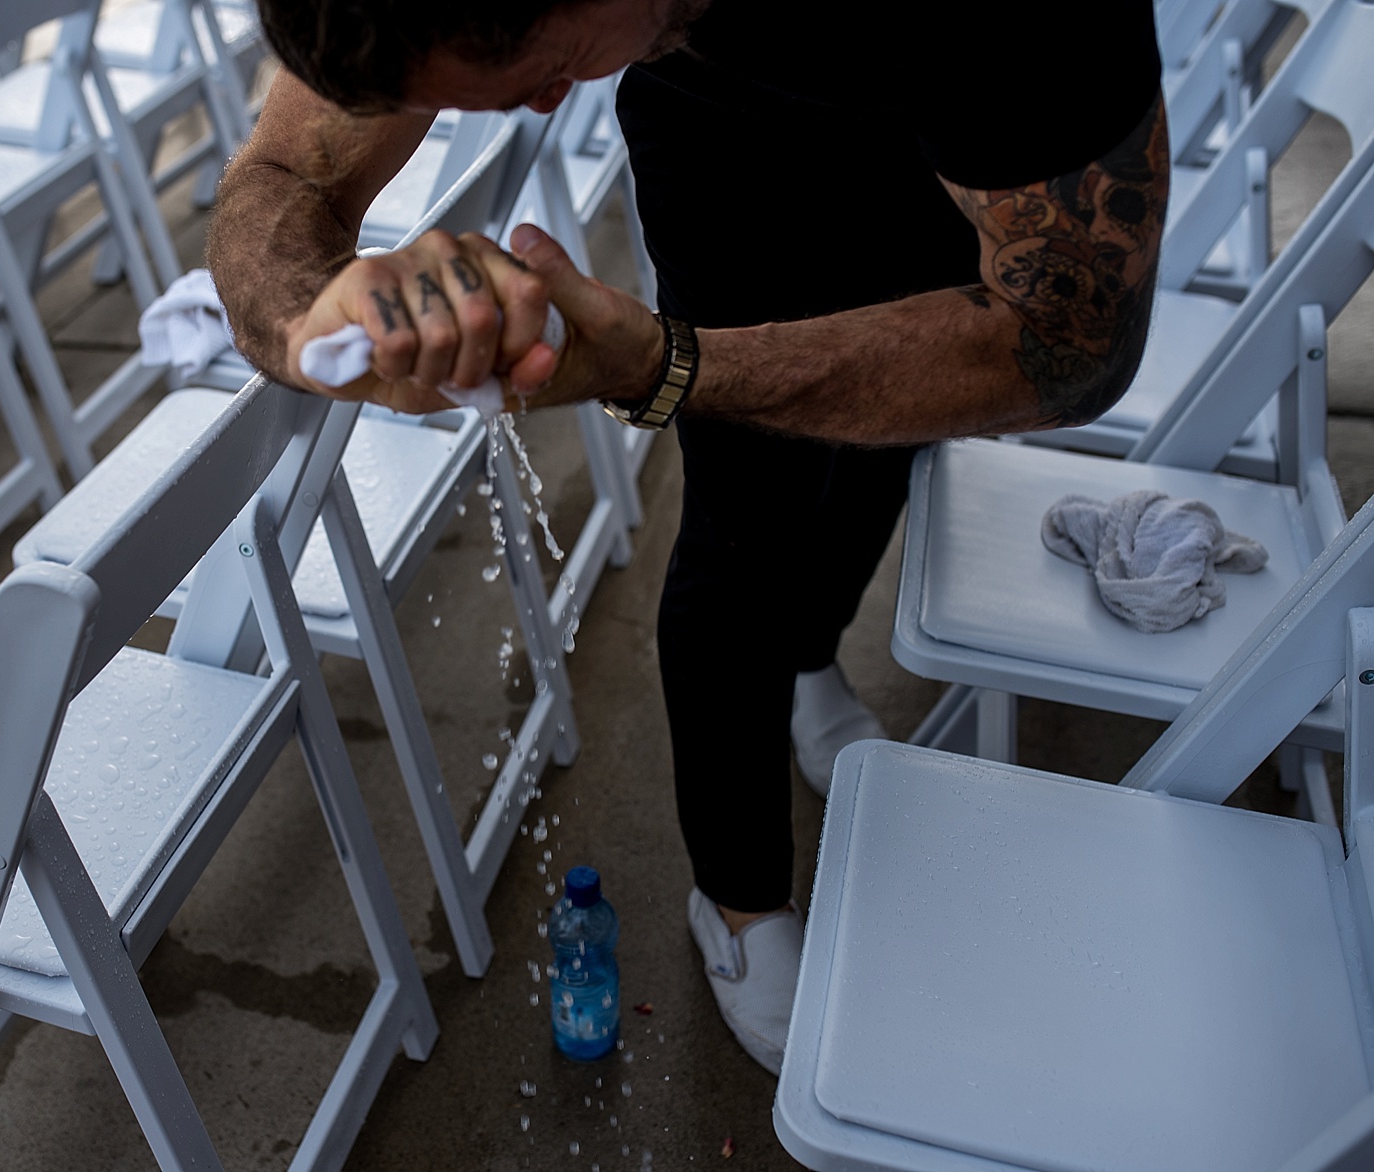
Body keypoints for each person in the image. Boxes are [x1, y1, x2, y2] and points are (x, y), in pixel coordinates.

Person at [206, 0, 1168, 1072]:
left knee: (901, 436)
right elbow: (284, 170)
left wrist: (657, 367)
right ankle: (742, 896)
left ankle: (810, 651)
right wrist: (309, 315)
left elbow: (1072, 339)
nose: (547, 102)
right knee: (746, 512)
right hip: (724, 127)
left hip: (968, 132)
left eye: (554, 61)